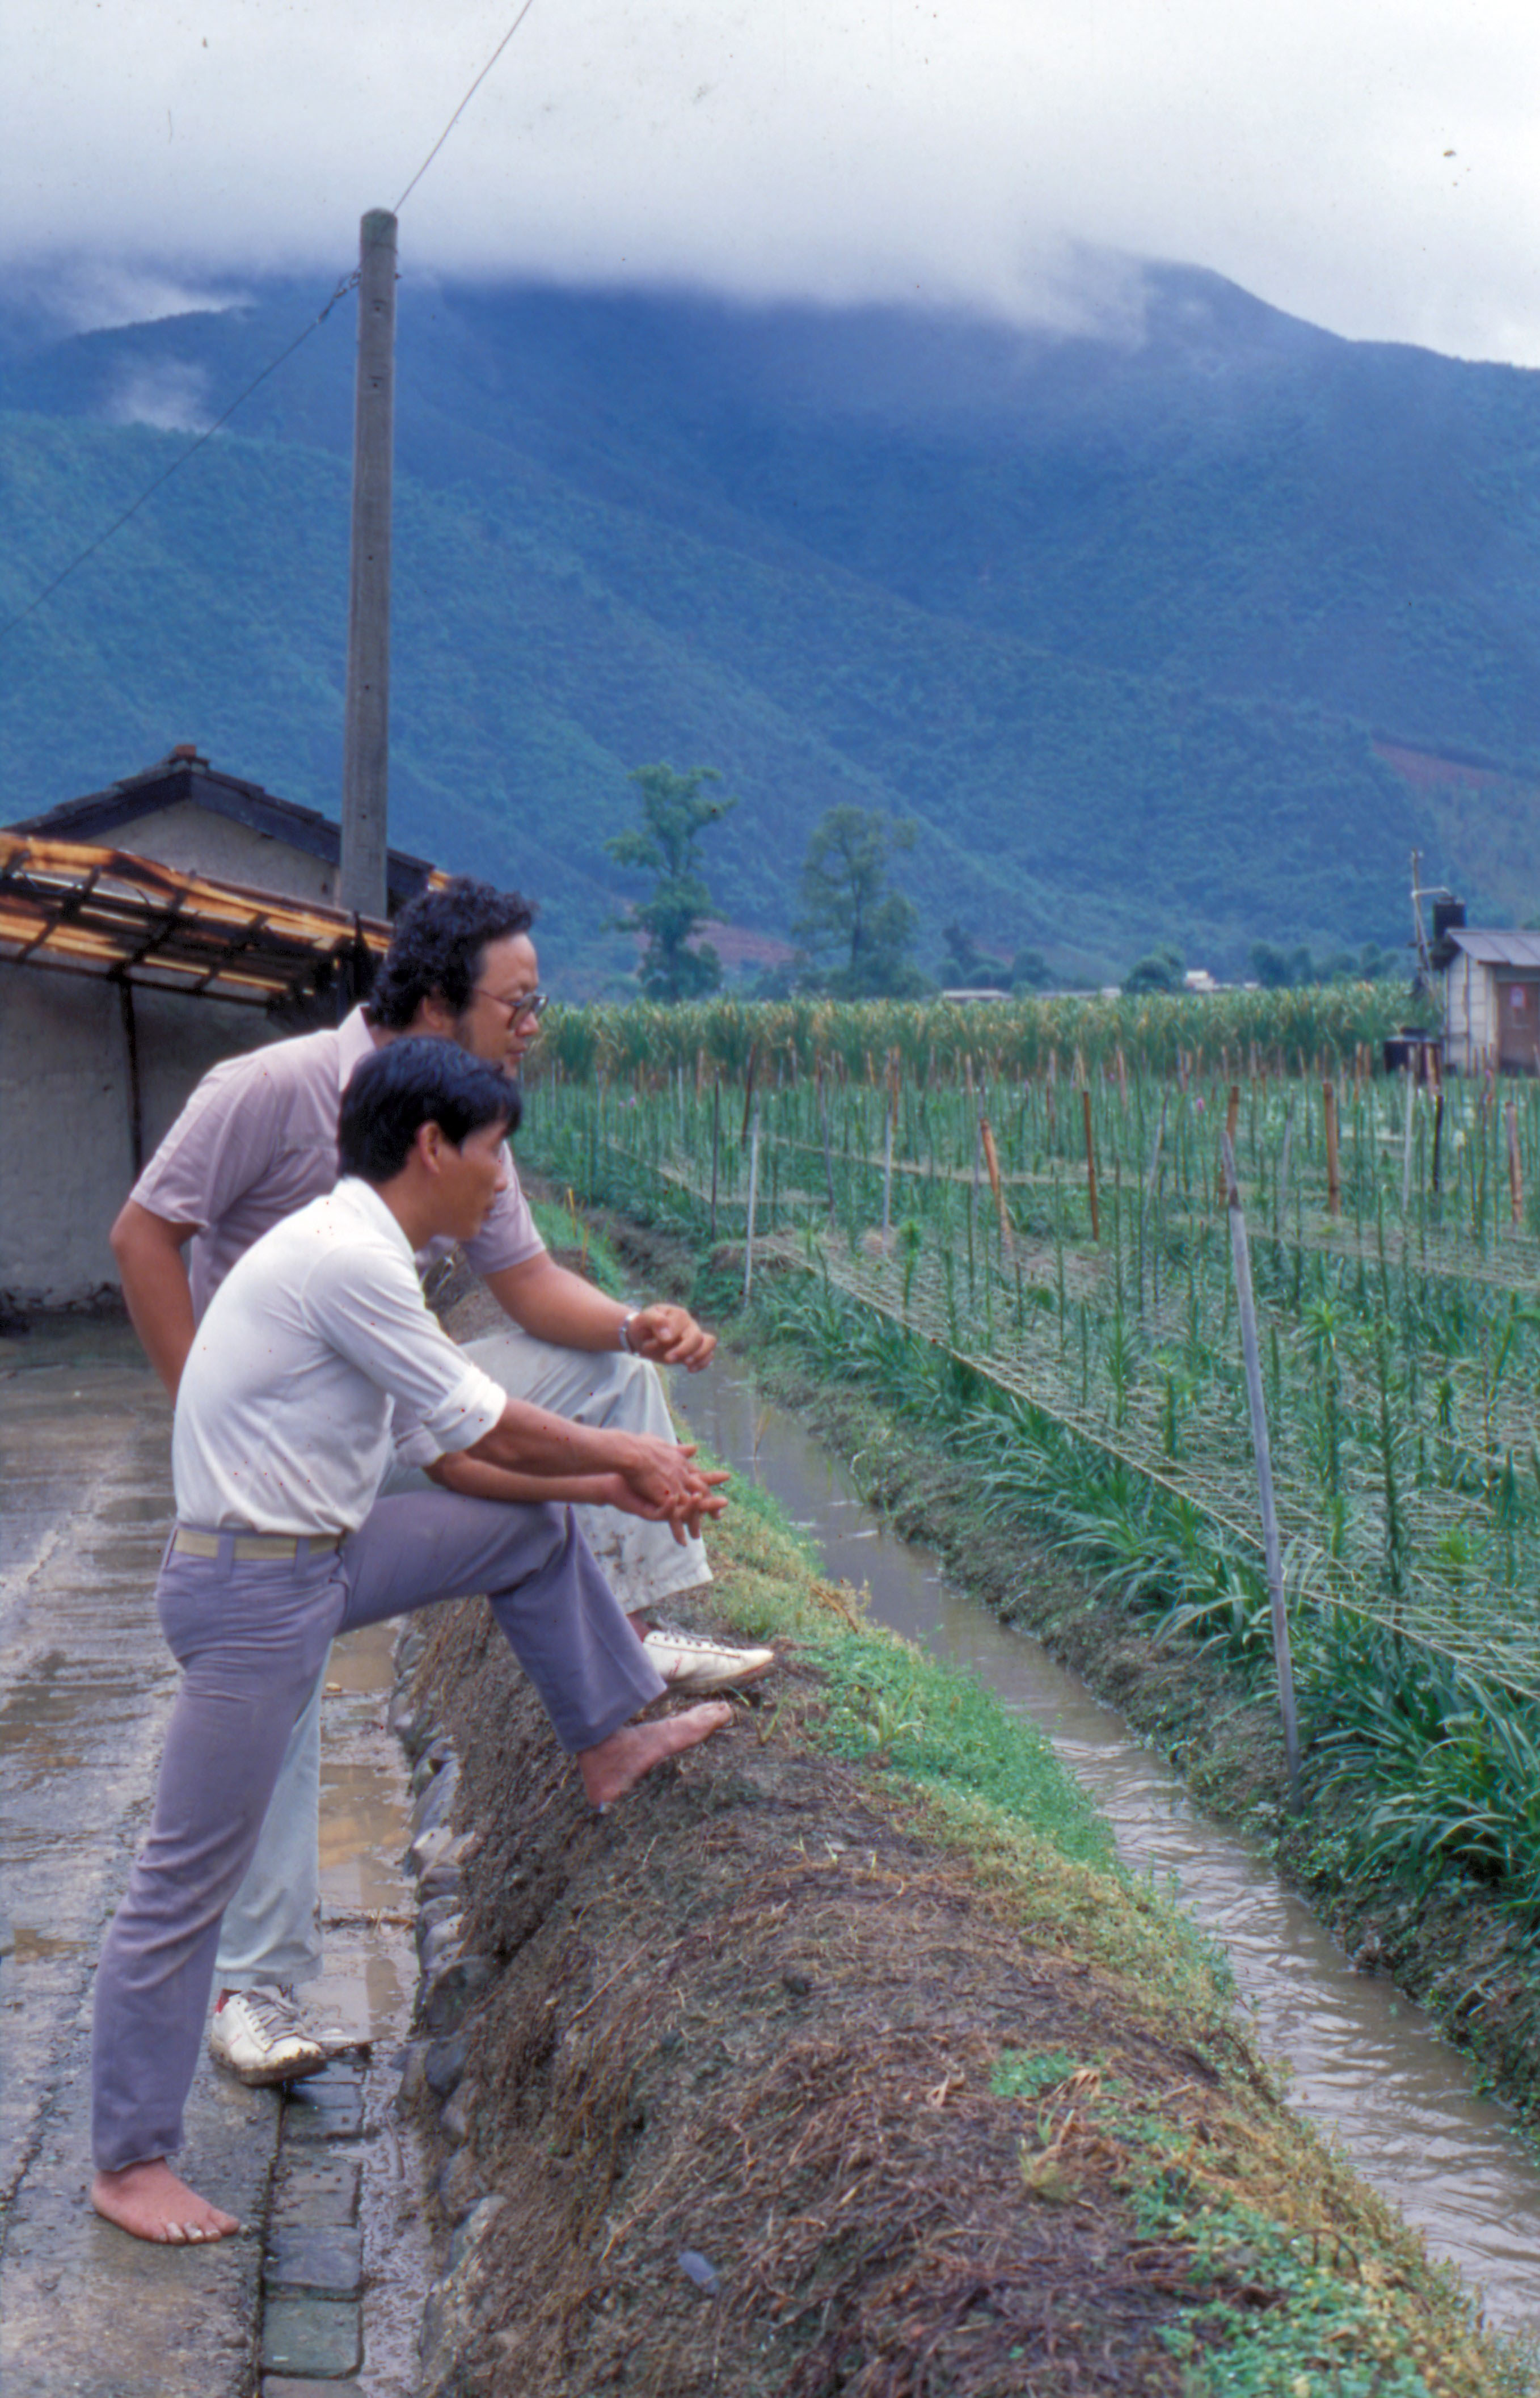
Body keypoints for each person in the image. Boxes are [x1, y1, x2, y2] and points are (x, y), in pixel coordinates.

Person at [109, 878, 769, 2087]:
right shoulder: (266, 1091)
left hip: (383, 1405)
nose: (532, 1027)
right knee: (280, 1668)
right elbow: (143, 1234)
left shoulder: (463, 1125)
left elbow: (522, 1294)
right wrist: (203, 1408)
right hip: (279, 1451)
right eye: (516, 1004)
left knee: (600, 1377)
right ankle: (254, 1985)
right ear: (434, 1005)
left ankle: (629, 1634)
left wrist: (633, 1323)